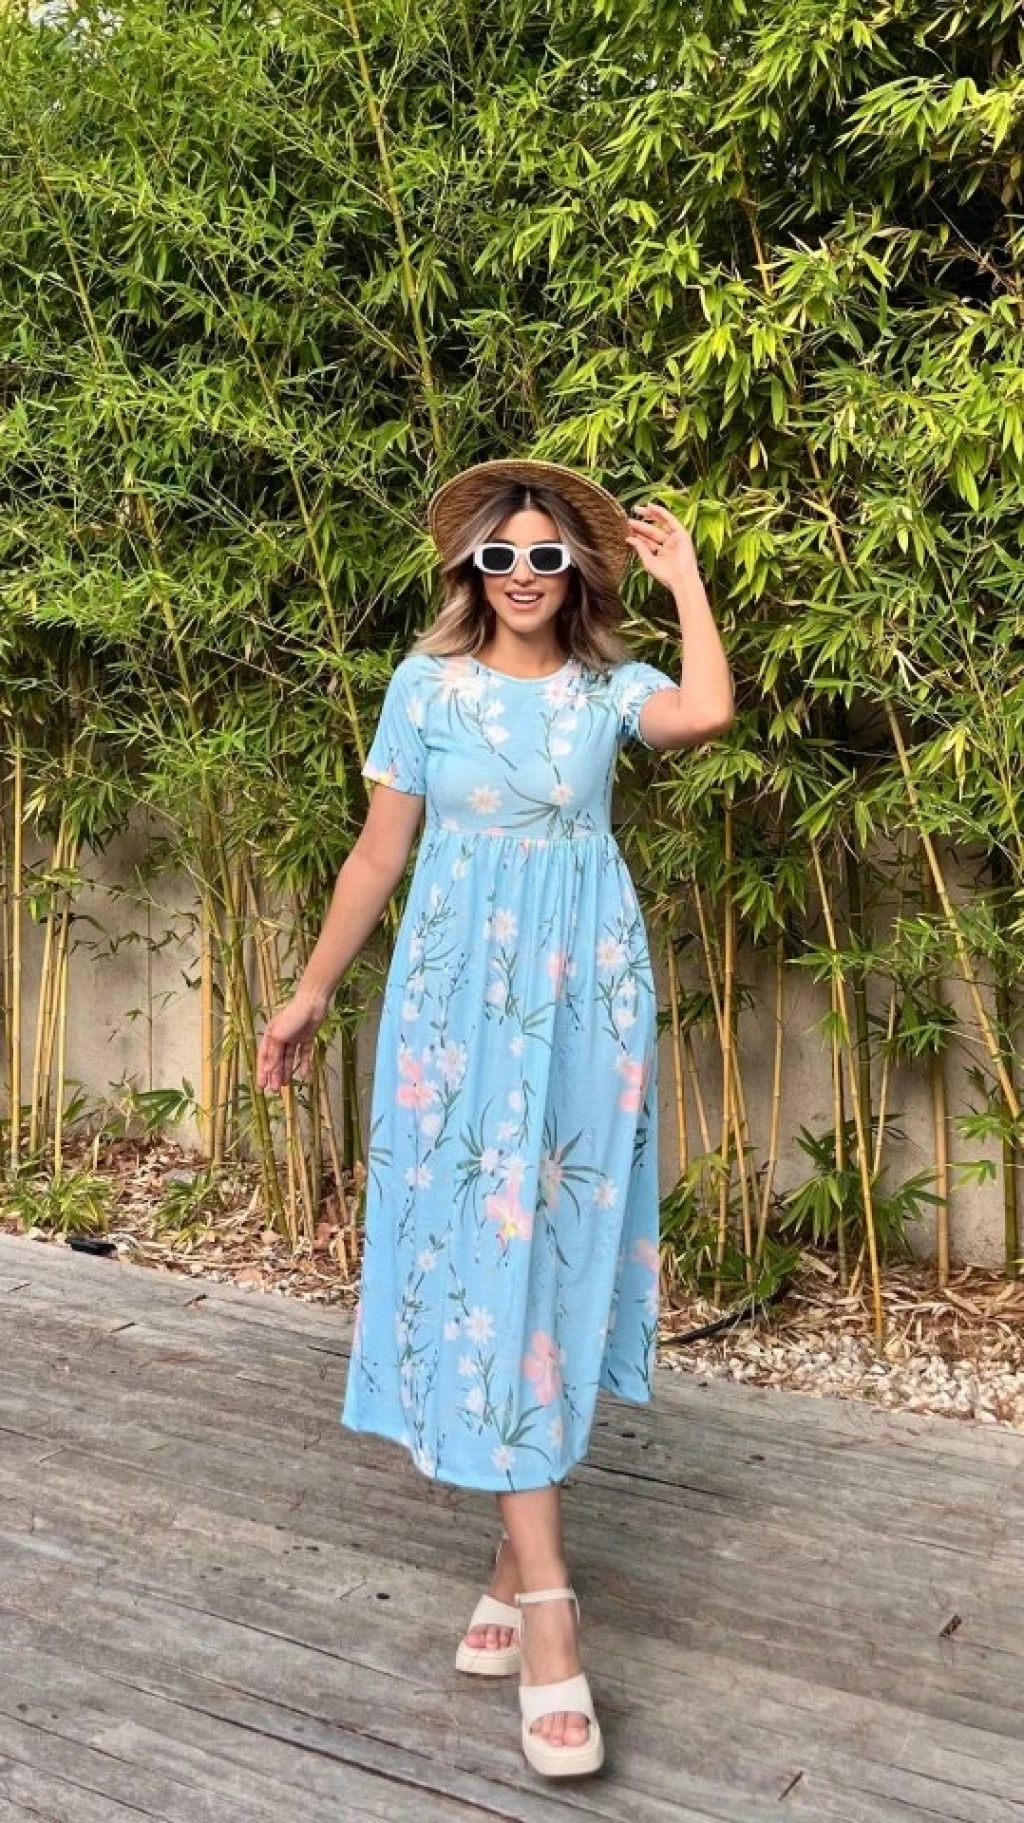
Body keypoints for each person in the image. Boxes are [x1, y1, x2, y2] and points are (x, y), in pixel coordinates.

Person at [257, 458, 734, 1779]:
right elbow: (378, 853)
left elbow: (705, 711)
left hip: (583, 1012)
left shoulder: (606, 691)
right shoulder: (426, 688)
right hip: (453, 1017)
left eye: (547, 557)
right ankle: (546, 1601)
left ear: (578, 573)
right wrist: (308, 994)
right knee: (486, 1262)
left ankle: (520, 1568)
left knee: (552, 1263)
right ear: (471, 567)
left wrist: (687, 579)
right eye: (501, 556)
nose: (523, 576)